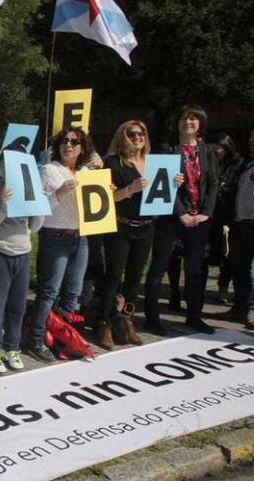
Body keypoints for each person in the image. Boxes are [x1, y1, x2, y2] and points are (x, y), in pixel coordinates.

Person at [98, 121, 181, 348]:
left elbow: (162, 193)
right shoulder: (113, 163)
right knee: (114, 277)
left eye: (141, 133)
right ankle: (105, 323)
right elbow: (106, 198)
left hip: (146, 227)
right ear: (122, 137)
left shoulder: (153, 163)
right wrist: (129, 190)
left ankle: (126, 321)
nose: (138, 137)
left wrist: (174, 183)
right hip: (122, 227)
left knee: (135, 278)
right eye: (132, 134)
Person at [144, 105, 218, 335]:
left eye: (194, 119)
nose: (188, 121)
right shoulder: (167, 150)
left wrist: (206, 212)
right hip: (171, 219)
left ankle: (194, 316)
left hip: (199, 220)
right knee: (158, 268)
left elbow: (214, 182)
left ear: (200, 124)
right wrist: (180, 212)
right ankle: (152, 318)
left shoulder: (207, 151)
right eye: (185, 118)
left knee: (195, 270)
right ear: (178, 123)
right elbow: (160, 183)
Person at [29, 127, 92, 362]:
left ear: (82, 148)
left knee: (73, 294)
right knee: (49, 291)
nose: (69, 145)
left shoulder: (86, 171)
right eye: (65, 141)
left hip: (81, 237)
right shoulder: (49, 170)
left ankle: (64, 339)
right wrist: (59, 193)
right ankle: (36, 339)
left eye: (75, 142)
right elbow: (41, 206)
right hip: (55, 236)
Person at [0, 157, 43, 374]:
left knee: (17, 306)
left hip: (22, 253)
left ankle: (12, 347)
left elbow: (34, 227)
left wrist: (39, 206)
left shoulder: (30, 188)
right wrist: (2, 207)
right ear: (2, 167)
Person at [223, 129, 254, 328]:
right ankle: (240, 308)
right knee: (240, 269)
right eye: (251, 139)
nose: (251, 143)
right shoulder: (245, 164)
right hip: (241, 223)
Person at [210, 133, 245, 304]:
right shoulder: (210, 162)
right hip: (212, 214)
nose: (217, 150)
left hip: (230, 215)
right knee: (210, 253)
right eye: (215, 146)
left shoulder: (238, 164)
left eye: (221, 147)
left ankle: (223, 288)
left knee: (229, 255)